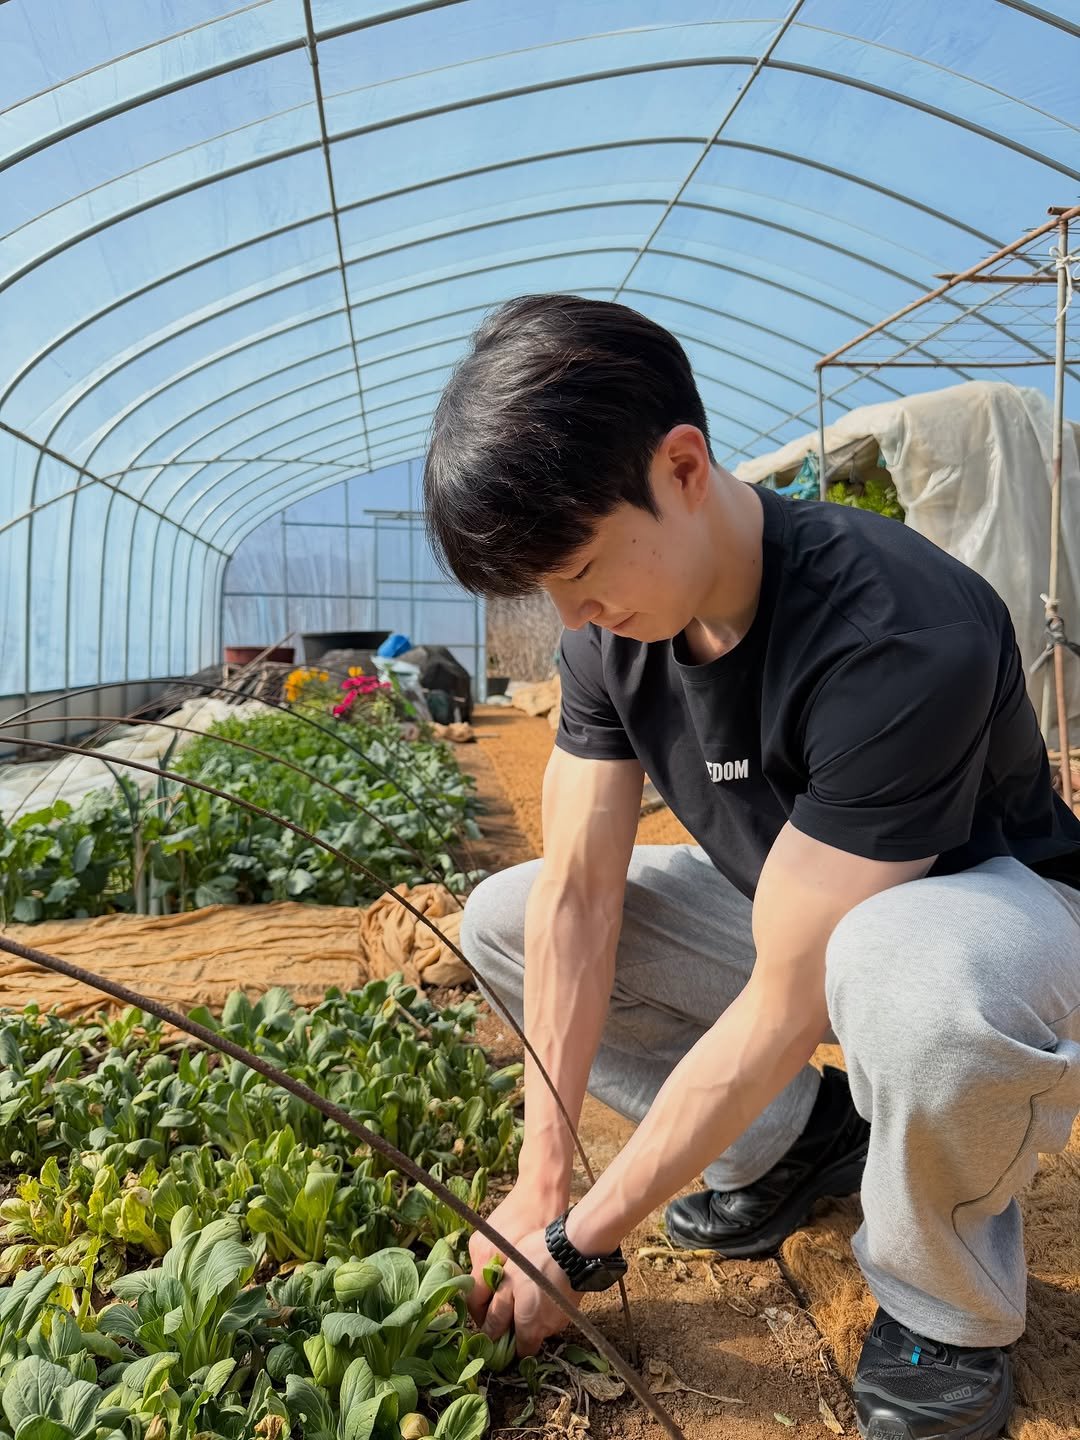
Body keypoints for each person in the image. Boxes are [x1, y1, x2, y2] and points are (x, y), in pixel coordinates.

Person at [422, 295, 1080, 1440]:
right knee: (510, 916)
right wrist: (542, 1184)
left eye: (581, 569)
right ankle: (799, 1143)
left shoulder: (893, 625)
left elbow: (790, 992)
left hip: (994, 927)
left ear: (682, 467)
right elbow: (578, 901)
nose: (573, 616)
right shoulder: (612, 634)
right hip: (803, 912)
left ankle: (945, 1307)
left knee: (908, 977)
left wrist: (579, 1244)